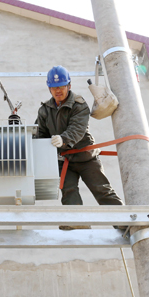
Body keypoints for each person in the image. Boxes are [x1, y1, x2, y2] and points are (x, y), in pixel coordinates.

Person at [35, 66, 123, 229]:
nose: (58, 91)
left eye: (61, 86)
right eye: (54, 87)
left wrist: (63, 139)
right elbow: (40, 134)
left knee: (101, 190)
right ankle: (77, 221)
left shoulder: (79, 105)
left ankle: (124, 223)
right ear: (49, 88)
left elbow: (77, 129)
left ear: (69, 86)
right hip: (64, 159)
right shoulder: (45, 110)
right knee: (68, 191)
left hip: (86, 157)